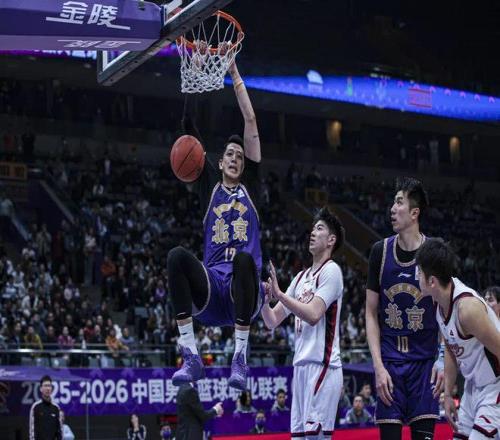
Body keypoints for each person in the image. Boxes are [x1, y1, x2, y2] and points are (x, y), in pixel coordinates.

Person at [168, 60, 263, 390]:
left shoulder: (253, 187)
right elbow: (188, 126)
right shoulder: (208, 184)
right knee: (177, 256)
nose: (235, 158)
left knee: (244, 260)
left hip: (243, 293)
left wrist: (234, 73)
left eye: (240, 155)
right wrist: (195, 77)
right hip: (212, 290)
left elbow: (250, 120)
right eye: (230, 155)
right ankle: (191, 355)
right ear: (219, 162)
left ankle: (239, 358)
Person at [365, 177, 444, 440]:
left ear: (414, 213)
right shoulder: (380, 252)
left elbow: (446, 310)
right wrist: (378, 367)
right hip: (390, 365)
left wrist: (442, 359)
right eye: (393, 202)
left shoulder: (434, 252)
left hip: (425, 366)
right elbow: (370, 313)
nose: (392, 208)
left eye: (399, 203)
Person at [261, 206, 345, 439]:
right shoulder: (300, 278)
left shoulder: (332, 271)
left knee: (315, 437)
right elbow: (272, 321)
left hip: (323, 365)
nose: (312, 233)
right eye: (312, 229)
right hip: (300, 368)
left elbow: (314, 314)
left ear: (331, 240)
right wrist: (262, 300)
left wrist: (280, 294)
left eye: (319, 228)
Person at [416, 238, 500, 439]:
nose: (416, 276)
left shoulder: (467, 309)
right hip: (473, 388)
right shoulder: (439, 302)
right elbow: (450, 347)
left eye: (419, 272)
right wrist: (447, 395)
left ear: (432, 281)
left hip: (495, 386)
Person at [29, 375, 62, 440]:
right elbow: (32, 430)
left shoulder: (56, 408)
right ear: (41, 389)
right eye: (45, 386)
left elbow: (59, 430)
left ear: (51, 389)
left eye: (49, 386)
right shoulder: (35, 407)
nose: (48, 388)